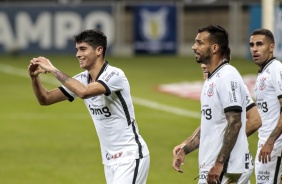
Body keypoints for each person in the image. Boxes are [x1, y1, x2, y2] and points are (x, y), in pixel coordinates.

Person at [28, 29, 150, 184]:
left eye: (83, 49)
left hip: (130, 156)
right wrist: (34, 78)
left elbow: (84, 92)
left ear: (99, 50)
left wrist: (53, 69)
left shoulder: (115, 75)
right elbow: (45, 99)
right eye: (77, 50)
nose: (78, 54)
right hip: (109, 161)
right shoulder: (82, 79)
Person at [172, 24, 249, 184]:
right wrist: (185, 150)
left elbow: (235, 122)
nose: (194, 47)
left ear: (214, 48)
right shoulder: (211, 80)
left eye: (200, 43)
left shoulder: (227, 75)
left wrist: (219, 163)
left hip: (223, 169)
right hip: (213, 168)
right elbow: (210, 127)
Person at [249, 28, 282, 184]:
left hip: (274, 145)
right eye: (252, 45)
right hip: (267, 143)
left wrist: (270, 142)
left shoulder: (276, 69)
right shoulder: (264, 73)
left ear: (271, 47)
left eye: (260, 44)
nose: (254, 49)